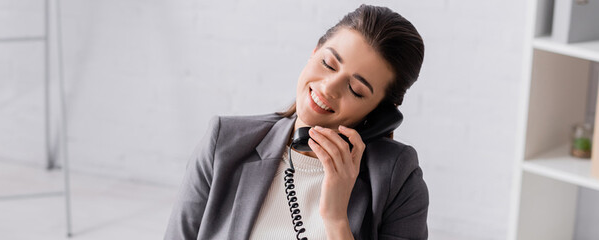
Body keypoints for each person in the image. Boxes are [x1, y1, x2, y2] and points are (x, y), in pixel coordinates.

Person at [165, 4, 427, 240]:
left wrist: (336, 219)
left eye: (356, 89)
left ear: (381, 114)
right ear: (314, 52)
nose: (328, 87)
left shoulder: (398, 179)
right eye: (328, 63)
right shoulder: (223, 144)